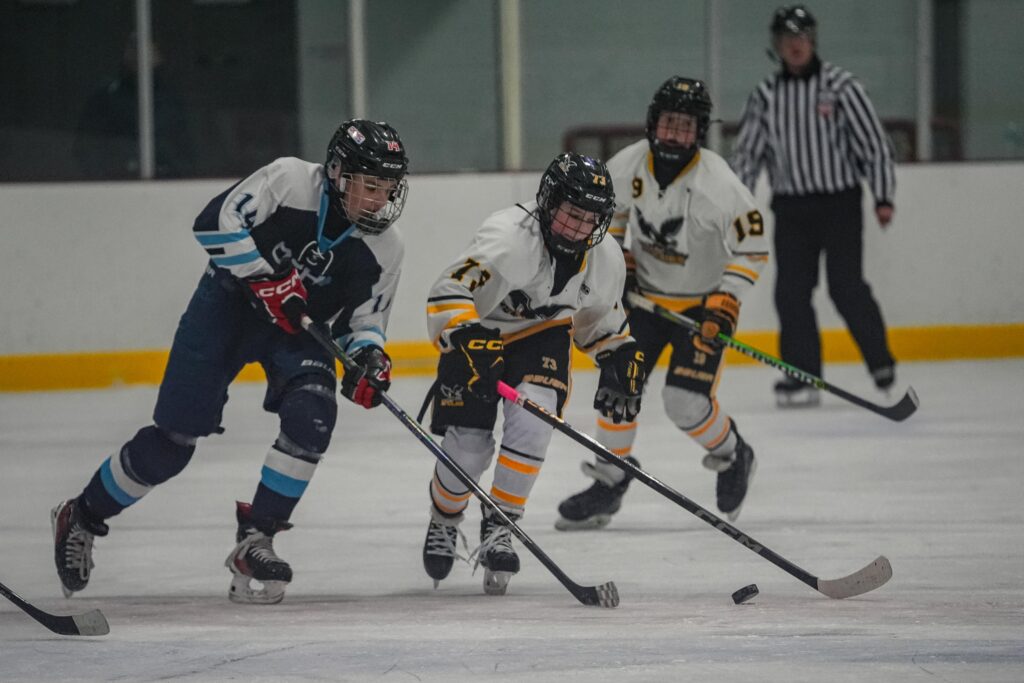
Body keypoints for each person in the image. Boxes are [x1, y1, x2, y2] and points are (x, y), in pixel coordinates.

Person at [51, 119, 409, 604]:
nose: (377, 201)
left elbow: (365, 321)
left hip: (297, 331)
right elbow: (214, 221)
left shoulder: (386, 248)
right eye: (369, 186)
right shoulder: (287, 181)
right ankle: (83, 514)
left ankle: (256, 539)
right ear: (338, 172)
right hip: (227, 307)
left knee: (314, 416)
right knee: (173, 442)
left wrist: (369, 358)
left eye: (387, 189)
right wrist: (265, 276)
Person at [421, 152, 647, 595]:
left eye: (589, 219)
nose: (578, 227)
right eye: (571, 213)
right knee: (468, 447)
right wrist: (465, 335)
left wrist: (619, 354)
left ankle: (500, 525)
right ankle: (444, 518)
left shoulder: (605, 257)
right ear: (549, 201)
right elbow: (449, 291)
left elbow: (600, 321)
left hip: (541, 336)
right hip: (477, 334)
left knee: (535, 421)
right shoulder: (507, 237)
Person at [554, 77, 768, 531]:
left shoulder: (720, 185)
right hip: (645, 302)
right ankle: (610, 481)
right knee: (619, 387)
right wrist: (619, 263)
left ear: (701, 131)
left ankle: (734, 454)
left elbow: (752, 247)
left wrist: (726, 298)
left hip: (702, 309)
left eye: (686, 127)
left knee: (685, 403)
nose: (675, 134)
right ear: (653, 124)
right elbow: (604, 222)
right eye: (669, 123)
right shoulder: (627, 165)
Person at [731, 5, 897, 407]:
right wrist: (737, 202)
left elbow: (873, 145)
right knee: (790, 293)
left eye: (801, 37)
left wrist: (883, 195)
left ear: (813, 40)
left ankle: (880, 362)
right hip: (791, 208)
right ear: (777, 46)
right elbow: (748, 156)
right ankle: (801, 375)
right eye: (787, 39)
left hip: (839, 203)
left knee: (846, 287)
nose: (795, 45)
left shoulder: (841, 87)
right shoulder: (766, 96)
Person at [74, 35, 194, 179]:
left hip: (166, 186)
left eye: (148, 49)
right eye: (133, 47)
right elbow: (86, 148)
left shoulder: (173, 100)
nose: (140, 55)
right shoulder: (104, 97)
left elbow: (187, 151)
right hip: (113, 187)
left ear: (159, 56)